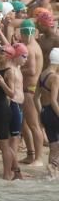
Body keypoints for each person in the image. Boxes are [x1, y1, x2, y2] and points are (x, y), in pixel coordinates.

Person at [38, 48, 59, 178]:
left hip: (45, 112)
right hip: (53, 112)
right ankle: (54, 165)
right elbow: (53, 100)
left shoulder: (42, 74)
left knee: (53, 145)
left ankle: (51, 176)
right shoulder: (55, 77)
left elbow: (36, 98)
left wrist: (41, 113)